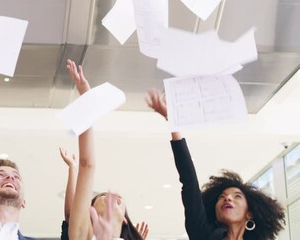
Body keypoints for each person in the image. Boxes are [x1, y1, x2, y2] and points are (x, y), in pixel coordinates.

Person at [146, 88, 286, 240]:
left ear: (249, 213)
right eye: (222, 196)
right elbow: (189, 182)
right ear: (215, 213)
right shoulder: (203, 234)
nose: (228, 199)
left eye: (237, 196)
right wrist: (173, 123)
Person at [66, 59, 143, 240]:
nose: (111, 197)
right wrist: (86, 97)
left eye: (117, 200)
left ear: (125, 220)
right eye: (102, 197)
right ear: (89, 211)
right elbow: (87, 165)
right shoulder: (82, 235)